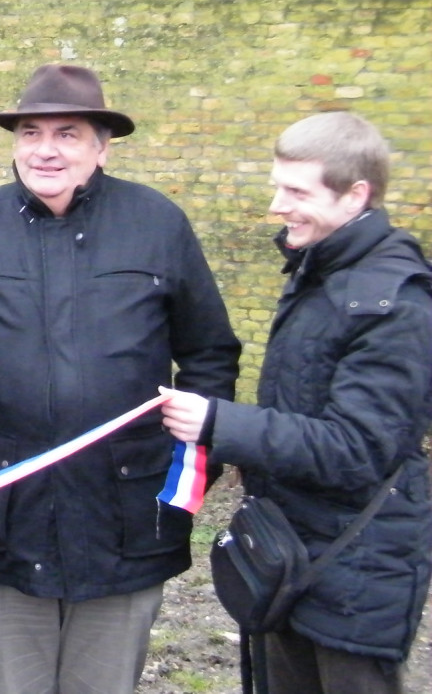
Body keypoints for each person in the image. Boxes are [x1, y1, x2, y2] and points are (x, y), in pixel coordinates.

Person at [0, 63, 241, 694]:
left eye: (67, 133)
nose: (46, 149)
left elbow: (210, 354)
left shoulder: (157, 224)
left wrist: (192, 470)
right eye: (31, 132)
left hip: (125, 514)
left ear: (102, 146)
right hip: (4, 514)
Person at [160, 111, 432, 694]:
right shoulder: (322, 275)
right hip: (293, 554)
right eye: (277, 186)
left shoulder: (392, 303)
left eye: (297, 191)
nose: (278, 206)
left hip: (356, 571)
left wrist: (218, 422)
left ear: (356, 194)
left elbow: (357, 449)